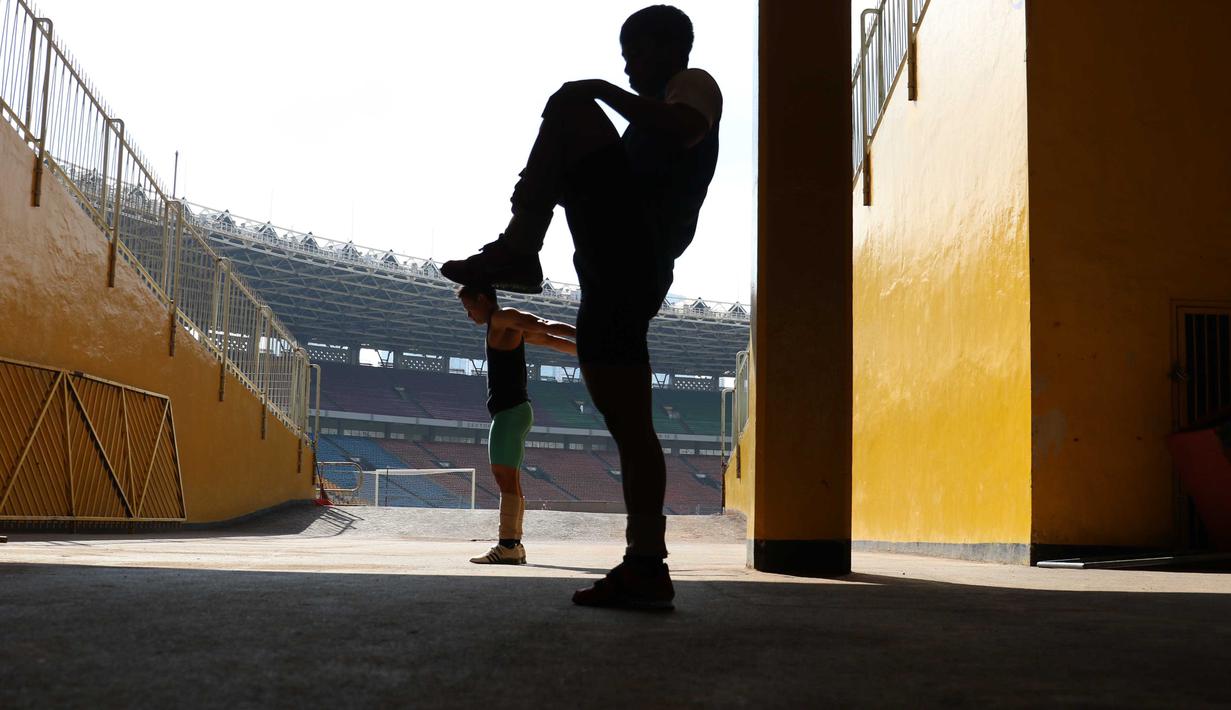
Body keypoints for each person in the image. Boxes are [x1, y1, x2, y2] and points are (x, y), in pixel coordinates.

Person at [441, 6, 720, 610]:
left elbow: (685, 128)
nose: (627, 67)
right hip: (614, 272)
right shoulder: (642, 131)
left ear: (666, 47)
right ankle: (646, 565)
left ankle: (520, 247)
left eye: (633, 53)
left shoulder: (693, 86)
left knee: (572, 103)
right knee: (630, 426)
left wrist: (600, 90)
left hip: (634, 250)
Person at [457, 284, 578, 565]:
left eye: (470, 308)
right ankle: (514, 545)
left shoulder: (502, 318)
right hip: (515, 411)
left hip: (510, 412)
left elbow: (543, 325)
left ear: (483, 299)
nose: (469, 315)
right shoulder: (505, 327)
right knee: (509, 479)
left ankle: (507, 545)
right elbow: (548, 340)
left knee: (504, 478)